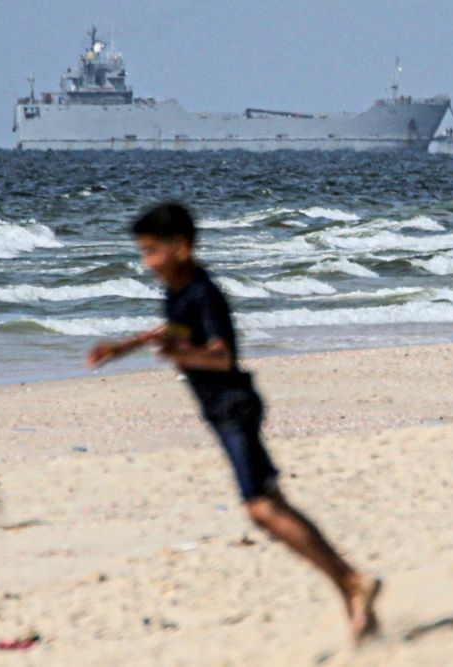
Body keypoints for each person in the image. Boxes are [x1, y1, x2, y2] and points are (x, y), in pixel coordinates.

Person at [86, 202, 381, 642]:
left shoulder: (204, 294)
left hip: (234, 408)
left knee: (261, 509)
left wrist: (183, 356)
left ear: (181, 248)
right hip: (223, 411)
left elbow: (223, 355)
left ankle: (354, 581)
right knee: (273, 506)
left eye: (151, 251)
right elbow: (172, 332)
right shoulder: (177, 293)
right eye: (142, 252)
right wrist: (122, 348)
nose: (146, 262)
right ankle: (356, 599)